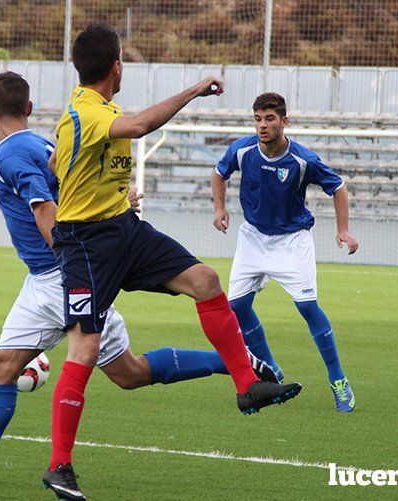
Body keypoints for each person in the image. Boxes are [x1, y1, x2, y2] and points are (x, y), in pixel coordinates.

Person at [0, 72, 277, 488]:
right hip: (44, 279)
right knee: (71, 369)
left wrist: (72, 259)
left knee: (104, 368)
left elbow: (45, 208)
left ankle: (234, 363)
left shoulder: (9, 155)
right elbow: (80, 184)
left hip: (63, 273)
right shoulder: (43, 144)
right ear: (30, 109)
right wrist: (121, 201)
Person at [44, 24, 302, 500]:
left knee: (205, 280)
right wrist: (196, 89)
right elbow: (139, 128)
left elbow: (68, 166)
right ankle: (59, 465)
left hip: (124, 229)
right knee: (85, 348)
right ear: (116, 65)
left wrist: (114, 193)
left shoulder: (98, 111)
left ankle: (248, 385)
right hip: (86, 246)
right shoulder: (82, 111)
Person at [211, 92, 359, 413]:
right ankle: (270, 368)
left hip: (292, 240)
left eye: (269, 119)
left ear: (284, 121)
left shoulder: (303, 159)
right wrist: (219, 208)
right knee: (236, 306)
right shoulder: (243, 149)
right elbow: (220, 173)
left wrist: (343, 229)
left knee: (307, 307)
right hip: (252, 237)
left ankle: (338, 380)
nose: (262, 125)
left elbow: (338, 187)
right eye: (257, 119)